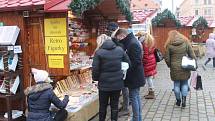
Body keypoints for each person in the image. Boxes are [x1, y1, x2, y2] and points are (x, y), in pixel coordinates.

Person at [92, 34, 130, 121]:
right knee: (114, 105)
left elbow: (95, 69)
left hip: (104, 84)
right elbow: (128, 63)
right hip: (117, 83)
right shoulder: (120, 50)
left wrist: (96, 79)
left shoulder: (99, 52)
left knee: (103, 106)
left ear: (100, 42)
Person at [115, 29, 145, 121]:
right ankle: (138, 118)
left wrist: (126, 67)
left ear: (122, 36)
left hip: (134, 77)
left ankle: (136, 118)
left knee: (134, 97)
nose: (119, 40)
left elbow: (136, 61)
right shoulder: (131, 42)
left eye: (119, 38)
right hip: (135, 76)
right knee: (135, 96)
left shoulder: (132, 44)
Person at [164, 30, 196, 108]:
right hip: (185, 66)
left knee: (176, 84)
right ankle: (184, 100)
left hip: (174, 67)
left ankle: (178, 100)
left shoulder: (169, 45)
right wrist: (194, 63)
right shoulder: (185, 42)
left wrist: (170, 65)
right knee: (185, 83)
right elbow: (192, 54)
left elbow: (167, 58)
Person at [106, 22, 130, 114]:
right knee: (124, 88)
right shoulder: (118, 39)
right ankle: (125, 105)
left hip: (122, 67)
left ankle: (125, 108)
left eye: (111, 31)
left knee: (124, 88)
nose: (110, 32)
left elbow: (121, 52)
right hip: (121, 66)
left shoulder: (119, 40)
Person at [136, 32, 157, 99]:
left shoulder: (145, 43)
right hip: (151, 60)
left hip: (147, 62)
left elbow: (145, 55)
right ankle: (151, 92)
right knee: (149, 77)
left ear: (142, 36)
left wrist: (142, 63)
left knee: (148, 78)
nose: (138, 38)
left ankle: (151, 93)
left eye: (138, 36)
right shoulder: (150, 41)